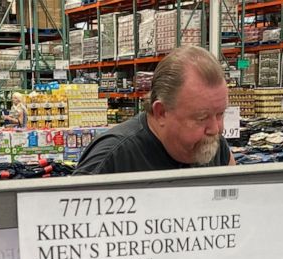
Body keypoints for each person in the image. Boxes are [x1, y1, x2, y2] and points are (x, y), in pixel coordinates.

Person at [76, 45, 235, 175]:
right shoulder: (111, 159)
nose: (216, 129)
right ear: (161, 112)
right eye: (201, 118)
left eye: (220, 114)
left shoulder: (214, 146)